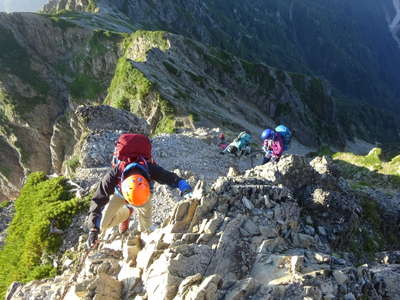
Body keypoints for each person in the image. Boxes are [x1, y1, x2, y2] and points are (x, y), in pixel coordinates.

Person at [86, 133, 193, 248]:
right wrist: (93, 229)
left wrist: (186, 188)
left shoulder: (150, 168)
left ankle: (142, 237)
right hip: (120, 194)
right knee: (103, 224)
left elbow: (173, 179)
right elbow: (98, 200)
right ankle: (127, 211)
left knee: (146, 229)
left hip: (143, 196)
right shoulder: (114, 174)